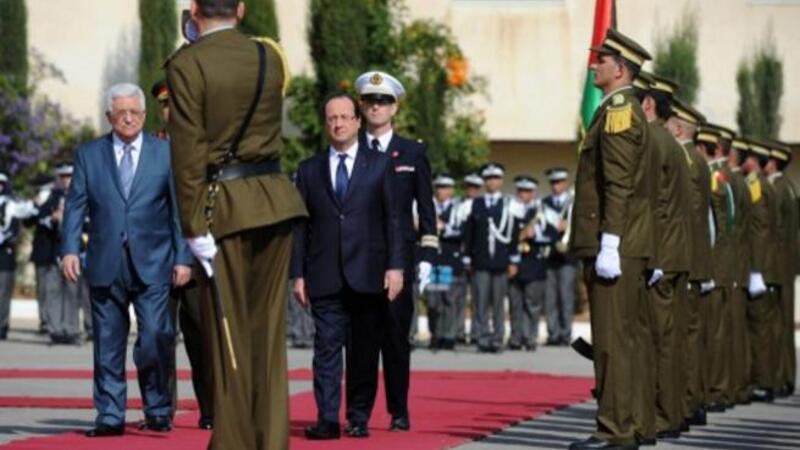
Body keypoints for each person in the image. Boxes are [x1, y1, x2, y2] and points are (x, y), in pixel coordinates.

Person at [165, 1, 307, 448]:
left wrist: (192, 226)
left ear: (193, 9)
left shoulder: (187, 64)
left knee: (226, 338)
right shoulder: (269, 56)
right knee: (267, 336)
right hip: (274, 200)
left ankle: (234, 443)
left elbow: (188, 152)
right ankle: (271, 440)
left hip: (222, 208)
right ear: (241, 9)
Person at [61, 83, 193, 437]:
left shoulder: (165, 153)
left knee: (156, 336)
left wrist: (183, 258)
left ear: (145, 115)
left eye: (134, 112)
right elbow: (75, 205)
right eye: (121, 113)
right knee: (107, 342)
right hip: (106, 263)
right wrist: (69, 249)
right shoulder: (89, 154)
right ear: (110, 116)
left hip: (154, 263)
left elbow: (179, 212)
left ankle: (157, 407)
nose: (128, 118)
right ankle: (109, 414)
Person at [292, 93, 403, 440]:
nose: (338, 124)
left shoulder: (380, 165)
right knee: (326, 348)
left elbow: (394, 220)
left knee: (363, 352)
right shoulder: (309, 169)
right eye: (331, 118)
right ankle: (327, 418)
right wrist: (297, 274)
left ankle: (357, 416)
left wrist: (396, 267)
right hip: (324, 274)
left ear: (357, 121)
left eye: (344, 117)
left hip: (368, 274)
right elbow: (301, 227)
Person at [569, 28, 654, 450]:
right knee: (626, 340)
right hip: (626, 244)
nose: (593, 66)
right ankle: (633, 425)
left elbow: (618, 184)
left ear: (619, 69)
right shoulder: (618, 110)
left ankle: (614, 430)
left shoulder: (619, 111)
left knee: (612, 343)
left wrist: (610, 243)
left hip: (617, 245)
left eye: (600, 60)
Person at [352, 70, 437, 432]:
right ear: (361, 106)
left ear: (395, 107)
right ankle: (358, 413)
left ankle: (398, 409)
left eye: (384, 101)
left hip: (399, 258)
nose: (377, 107)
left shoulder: (412, 152)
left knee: (396, 339)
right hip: (357, 257)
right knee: (360, 341)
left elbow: (426, 207)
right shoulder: (351, 148)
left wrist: (428, 254)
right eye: (371, 101)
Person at [149, 79, 214, 429]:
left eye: (176, 104)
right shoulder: (152, 148)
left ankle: (211, 408)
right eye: (165, 106)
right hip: (158, 256)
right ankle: (161, 409)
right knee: (158, 336)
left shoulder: (207, 150)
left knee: (202, 335)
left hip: (198, 256)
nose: (170, 111)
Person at [631, 71, 691, 440]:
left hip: (659, 255)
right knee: (669, 338)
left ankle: (660, 416)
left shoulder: (653, 140)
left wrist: (654, 258)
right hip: (674, 253)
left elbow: (655, 205)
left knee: (656, 340)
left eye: (636, 102)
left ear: (649, 104)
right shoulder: (671, 143)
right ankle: (672, 411)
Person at [666, 98, 714, 428]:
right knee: (691, 337)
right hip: (695, 260)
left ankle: (683, 405)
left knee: (681, 338)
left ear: (679, 129)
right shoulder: (697, 159)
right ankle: (692, 402)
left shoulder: (684, 158)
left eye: (670, 124)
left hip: (684, 259)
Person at [695, 127, 735, 413]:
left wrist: (711, 266)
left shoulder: (715, 177)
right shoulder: (720, 175)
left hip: (714, 265)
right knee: (714, 331)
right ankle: (716, 389)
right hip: (719, 265)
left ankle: (716, 391)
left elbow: (719, 226)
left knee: (715, 332)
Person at [463, 163, 520, 353]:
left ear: (501, 181)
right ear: (484, 182)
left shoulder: (508, 203)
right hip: (480, 261)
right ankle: (482, 338)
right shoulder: (476, 203)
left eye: (496, 178)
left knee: (498, 304)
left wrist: (513, 260)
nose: (492, 182)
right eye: (488, 179)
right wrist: (467, 257)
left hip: (501, 262)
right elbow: (469, 233)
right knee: (480, 302)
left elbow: (513, 234)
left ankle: (497, 339)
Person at [740, 139, 780, 403]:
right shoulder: (765, 184)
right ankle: (765, 380)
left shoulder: (755, 184)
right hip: (766, 265)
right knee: (764, 329)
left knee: (758, 329)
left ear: (755, 161)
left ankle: (763, 382)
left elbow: (758, 230)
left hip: (759, 266)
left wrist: (756, 269)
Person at [765, 141, 797, 398]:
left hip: (776, 265)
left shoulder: (776, 188)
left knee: (776, 324)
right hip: (786, 264)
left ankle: (779, 378)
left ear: (773, 163)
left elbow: (772, 230)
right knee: (783, 323)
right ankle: (785, 377)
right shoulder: (788, 187)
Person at [38, 163, 83, 345]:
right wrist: (53, 218)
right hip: (53, 253)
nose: (66, 180)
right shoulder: (52, 197)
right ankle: (55, 330)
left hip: (75, 254)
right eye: (62, 176)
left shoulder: (82, 195)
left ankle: (71, 330)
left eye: (69, 176)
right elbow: (39, 218)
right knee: (53, 291)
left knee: (73, 293)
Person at [727, 136, 754, 405]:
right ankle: (736, 387)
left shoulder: (731, 181)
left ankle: (730, 389)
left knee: (726, 331)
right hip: (737, 266)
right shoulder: (742, 182)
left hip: (730, 266)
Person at [508, 175, 546, 351]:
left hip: (534, 264)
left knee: (532, 304)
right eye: (521, 190)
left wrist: (536, 234)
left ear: (533, 192)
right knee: (515, 304)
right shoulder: (511, 210)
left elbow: (552, 234)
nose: (524, 194)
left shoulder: (542, 210)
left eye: (528, 191)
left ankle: (530, 337)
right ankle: (515, 338)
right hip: (514, 263)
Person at [540, 167, 577, 346]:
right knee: (550, 299)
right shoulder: (545, 203)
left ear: (565, 183)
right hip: (549, 257)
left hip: (567, 258)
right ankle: (553, 334)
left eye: (559, 182)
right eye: (553, 182)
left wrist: (567, 225)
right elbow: (541, 227)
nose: (556, 186)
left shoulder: (573, 203)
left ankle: (565, 334)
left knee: (565, 297)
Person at [426, 173, 464, 350]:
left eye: (444, 187)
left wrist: (443, 227)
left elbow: (462, 231)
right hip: (433, 260)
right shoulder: (429, 206)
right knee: (433, 300)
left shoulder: (458, 208)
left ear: (451, 190)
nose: (440, 191)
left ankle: (449, 336)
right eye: (438, 187)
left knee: (449, 299)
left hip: (449, 260)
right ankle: (435, 334)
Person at [458, 173, 483, 344]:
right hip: (458, 255)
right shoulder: (458, 205)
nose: (471, 190)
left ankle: (475, 333)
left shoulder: (481, 205)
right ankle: (459, 332)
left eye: (475, 187)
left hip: (476, 257)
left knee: (477, 297)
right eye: (469, 187)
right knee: (459, 297)